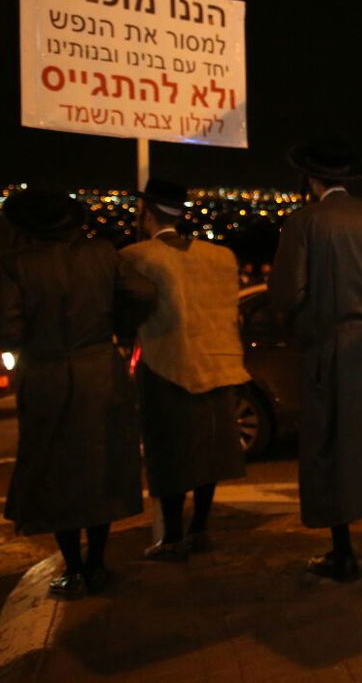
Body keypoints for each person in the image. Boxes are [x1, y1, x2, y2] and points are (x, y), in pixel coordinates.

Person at [0, 187, 156, 598]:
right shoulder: (102, 253)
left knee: (55, 470)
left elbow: (3, 332)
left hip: (45, 375)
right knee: (100, 464)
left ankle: (74, 568)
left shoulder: (14, 264)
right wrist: (118, 325)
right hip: (100, 369)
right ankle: (96, 563)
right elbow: (144, 292)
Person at [269, 139, 362, 581]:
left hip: (333, 348)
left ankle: (344, 552)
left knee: (330, 446)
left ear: (311, 180)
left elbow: (287, 293)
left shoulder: (304, 221)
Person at [121, 178, 251, 560]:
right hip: (218, 363)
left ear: (146, 213)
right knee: (209, 451)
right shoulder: (220, 256)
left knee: (169, 452)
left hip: (166, 364)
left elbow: (130, 309)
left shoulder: (137, 256)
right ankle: (200, 529)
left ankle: (173, 536)